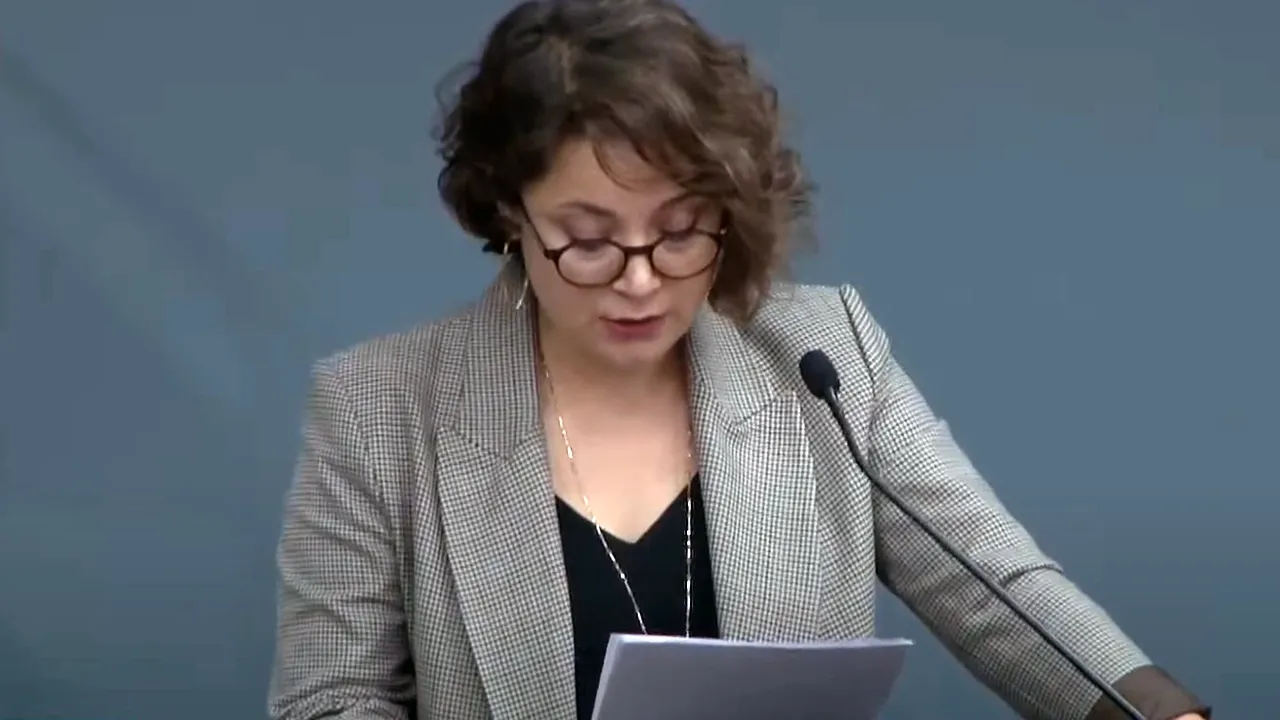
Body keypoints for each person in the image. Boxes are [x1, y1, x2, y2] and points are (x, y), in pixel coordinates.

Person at [268, 1, 1210, 718]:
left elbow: (997, 589)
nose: (641, 280)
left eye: (681, 232)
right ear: (510, 214)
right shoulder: (376, 407)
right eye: (588, 241)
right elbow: (329, 699)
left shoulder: (824, 355)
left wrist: (1156, 711)